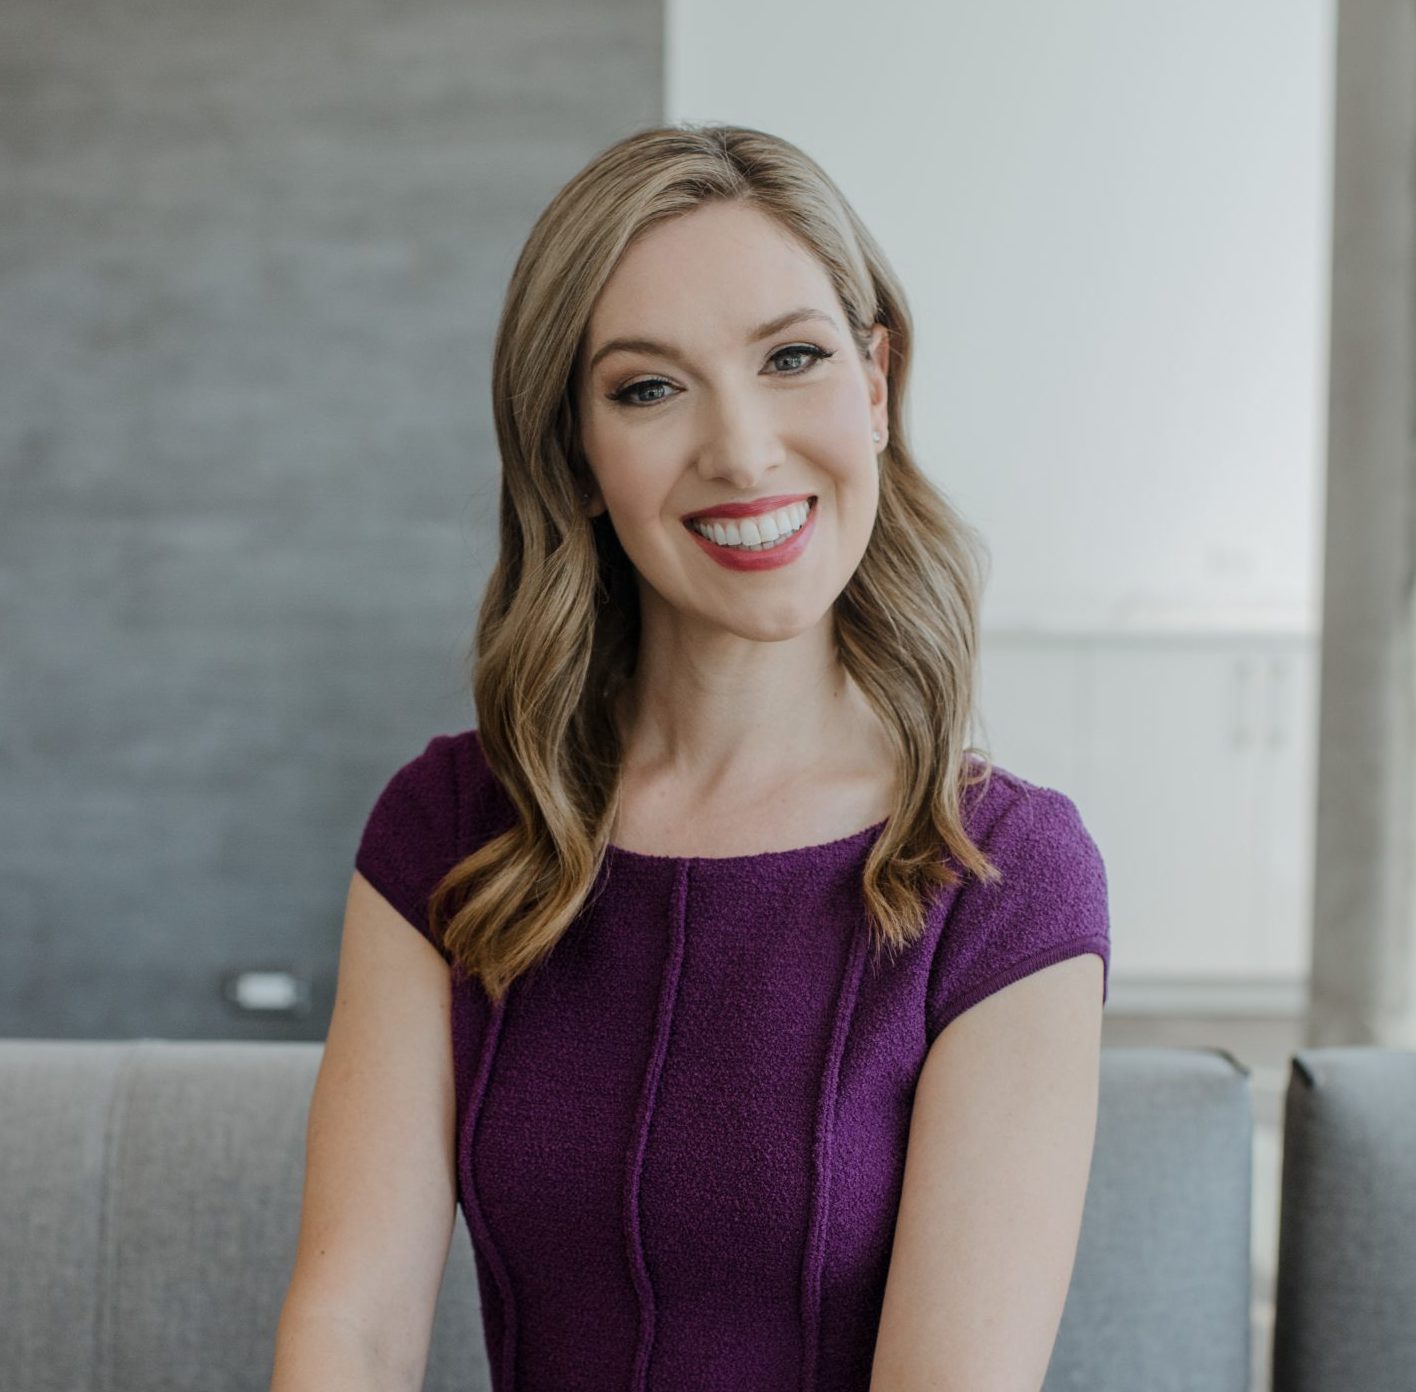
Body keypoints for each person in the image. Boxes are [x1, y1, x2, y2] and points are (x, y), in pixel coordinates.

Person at [269, 122, 1110, 1392]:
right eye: (649, 387)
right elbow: (352, 1331)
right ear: (578, 454)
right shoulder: (450, 830)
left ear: (875, 388)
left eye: (793, 358)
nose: (743, 450)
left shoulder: (1005, 879)